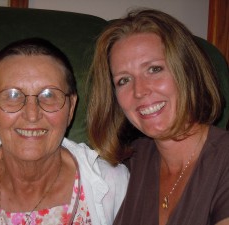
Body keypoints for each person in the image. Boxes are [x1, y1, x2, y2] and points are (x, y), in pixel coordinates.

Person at [0, 37, 129, 225]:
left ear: (71, 108)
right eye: (13, 95)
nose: (32, 115)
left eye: (49, 94)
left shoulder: (114, 184)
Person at [87, 8, 229, 225]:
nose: (139, 91)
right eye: (124, 80)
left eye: (154, 69)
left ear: (188, 71)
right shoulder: (128, 166)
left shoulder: (223, 161)